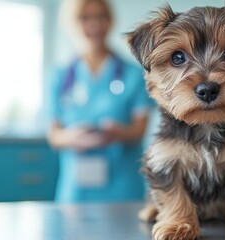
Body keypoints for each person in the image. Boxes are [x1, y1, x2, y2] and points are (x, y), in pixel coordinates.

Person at [46, 0, 154, 203]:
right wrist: (72, 137)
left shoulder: (133, 74)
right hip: (76, 189)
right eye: (85, 18)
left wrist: (118, 133)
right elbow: (54, 136)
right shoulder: (60, 77)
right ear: (72, 23)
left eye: (101, 17)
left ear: (110, 21)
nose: (94, 24)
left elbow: (140, 130)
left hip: (123, 185)